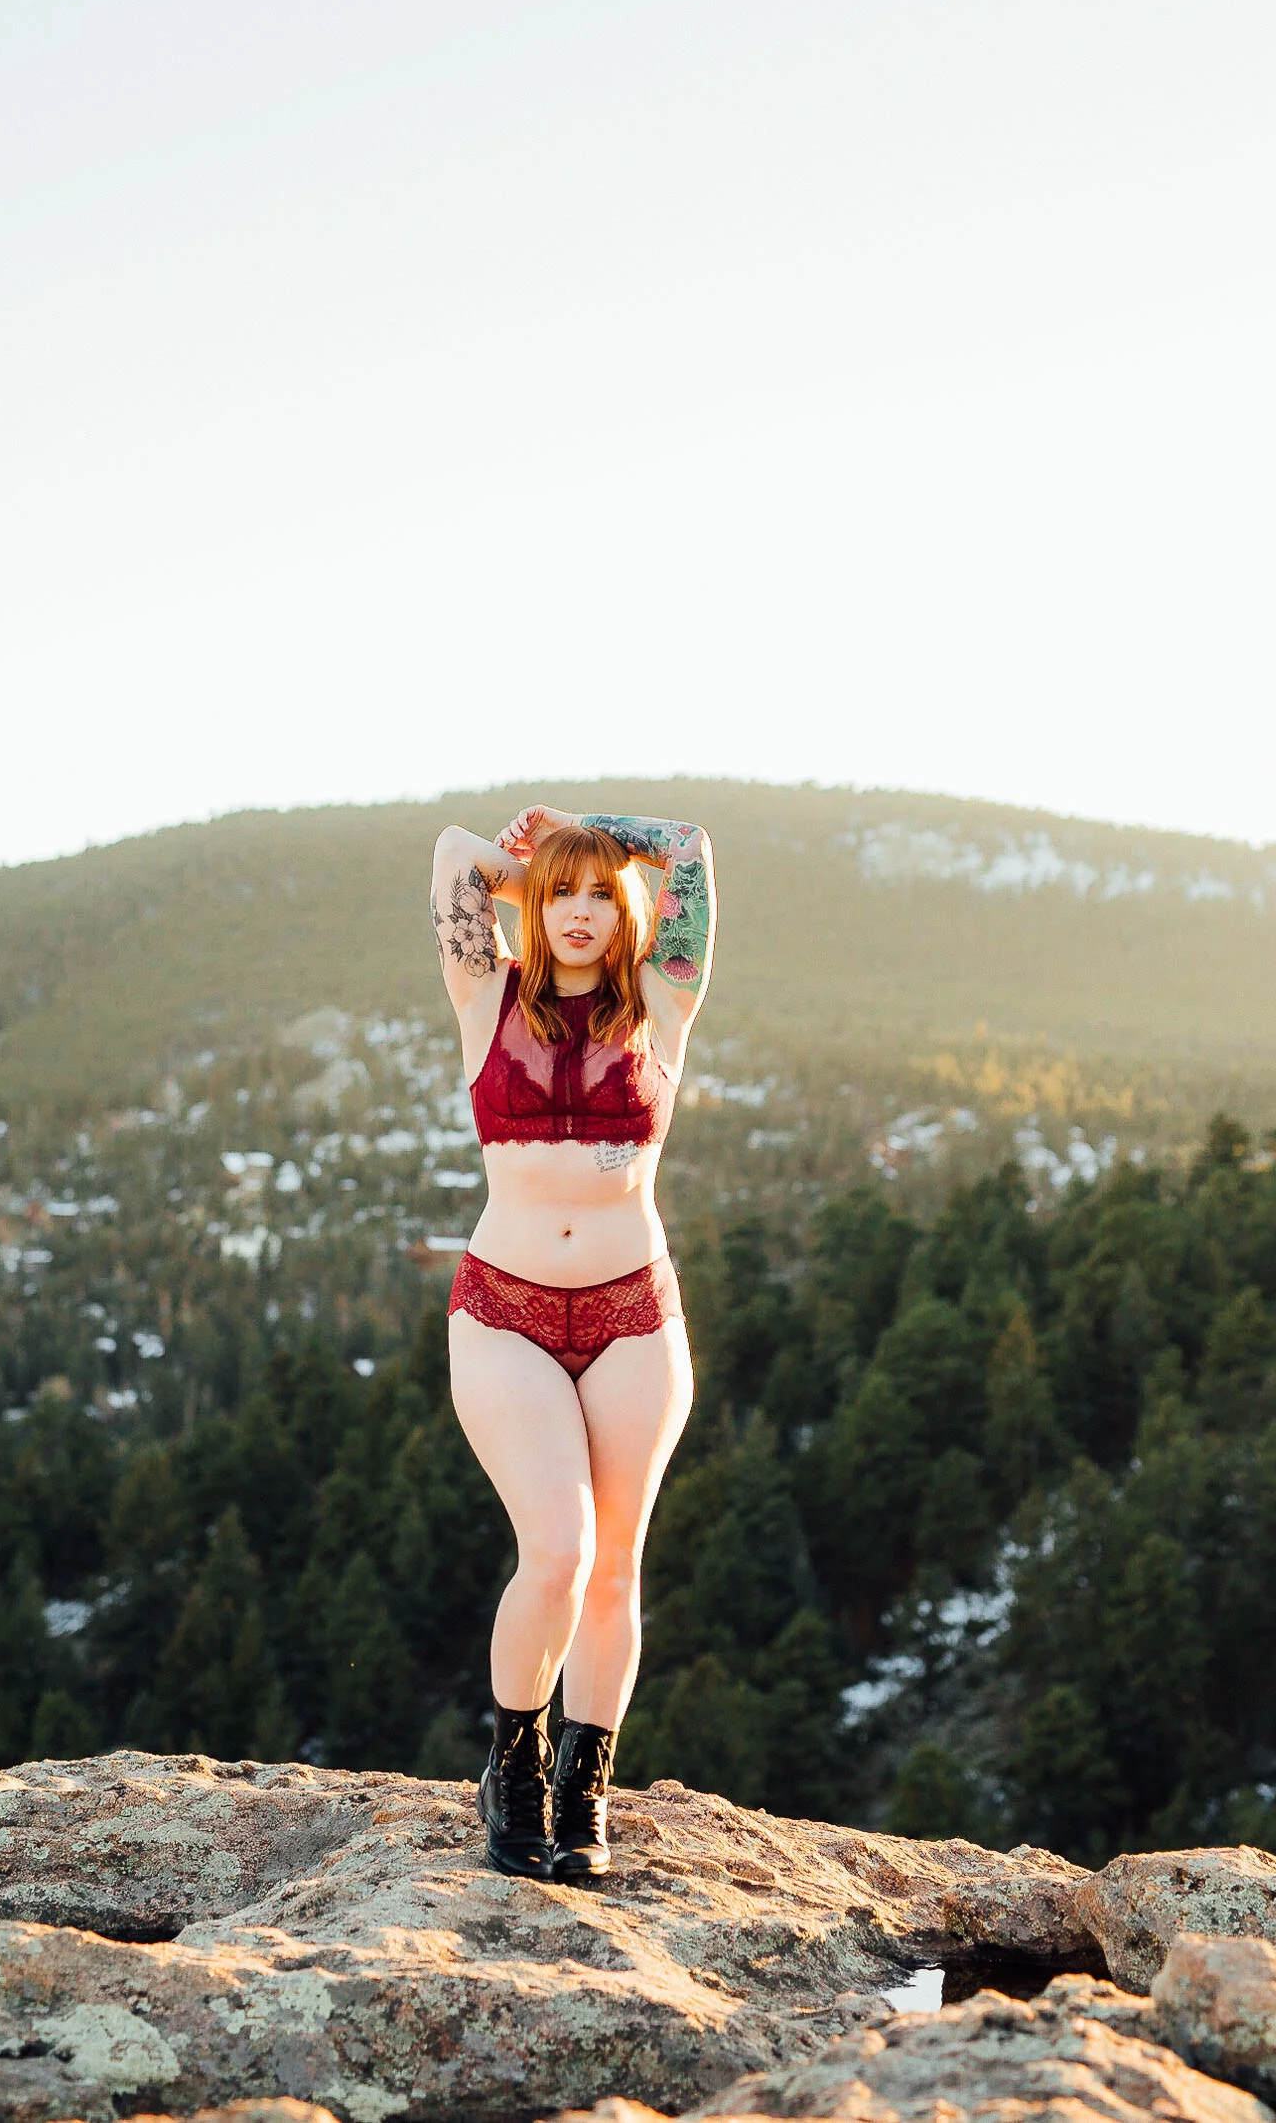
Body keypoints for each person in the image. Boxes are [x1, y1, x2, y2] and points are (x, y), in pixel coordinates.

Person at [429, 801, 717, 1881]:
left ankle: (584, 1790)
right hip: (503, 1311)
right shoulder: (485, 991)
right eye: (561, 896)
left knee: (614, 1566)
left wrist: (598, 835)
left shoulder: (664, 1000)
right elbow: (455, 857)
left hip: (631, 1313)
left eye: (601, 893)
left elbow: (688, 849)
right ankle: (514, 1767)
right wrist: (542, 866)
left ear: (628, 907)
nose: (581, 911)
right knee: (556, 1551)